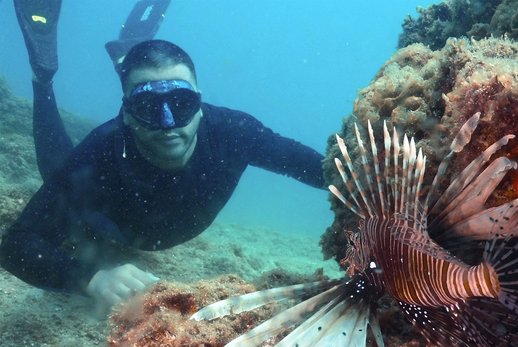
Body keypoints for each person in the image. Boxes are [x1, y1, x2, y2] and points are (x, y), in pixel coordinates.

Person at [0, 0, 326, 311]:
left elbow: (322, 169)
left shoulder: (235, 131)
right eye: (146, 107)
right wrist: (91, 278)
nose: (169, 124)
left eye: (182, 103)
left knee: (149, 92)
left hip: (141, 224)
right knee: (54, 169)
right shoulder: (99, 152)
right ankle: (43, 79)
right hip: (100, 220)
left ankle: (134, 65)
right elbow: (16, 245)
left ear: (199, 102)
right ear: (126, 114)